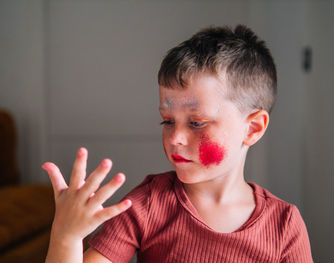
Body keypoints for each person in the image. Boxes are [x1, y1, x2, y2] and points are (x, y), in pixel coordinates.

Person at [43, 24, 313, 262]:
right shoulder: (147, 204)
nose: (175, 138)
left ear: (252, 128)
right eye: (168, 121)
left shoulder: (284, 225)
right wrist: (65, 237)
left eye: (196, 123)